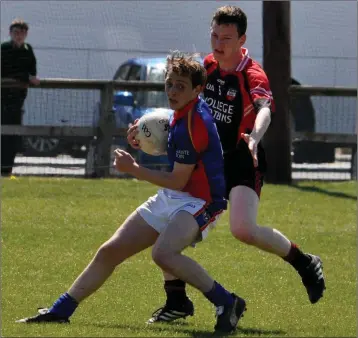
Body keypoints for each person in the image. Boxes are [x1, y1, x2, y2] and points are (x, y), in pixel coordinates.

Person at [16, 51, 247, 333]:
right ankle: (61, 309)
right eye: (169, 83)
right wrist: (145, 141)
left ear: (198, 89)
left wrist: (133, 167)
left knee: (163, 253)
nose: (172, 91)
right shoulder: (184, 111)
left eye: (180, 86)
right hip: (177, 194)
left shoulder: (193, 123)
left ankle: (227, 301)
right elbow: (174, 149)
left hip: (202, 201)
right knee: (110, 250)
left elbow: (176, 179)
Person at [127, 6, 326, 324]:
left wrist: (254, 136)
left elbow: (265, 110)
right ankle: (176, 299)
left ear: (242, 40)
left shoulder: (251, 74)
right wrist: (145, 130)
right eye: (214, 35)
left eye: (227, 38)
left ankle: (303, 262)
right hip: (207, 163)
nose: (218, 44)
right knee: (171, 216)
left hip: (243, 158)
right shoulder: (206, 66)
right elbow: (182, 109)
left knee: (243, 229)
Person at [1, 18, 40, 176]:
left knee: (14, 135)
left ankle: (7, 169)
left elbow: (33, 71)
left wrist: (28, 77)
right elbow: (6, 70)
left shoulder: (27, 49)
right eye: (16, 33)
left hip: (18, 99)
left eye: (22, 33)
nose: (19, 36)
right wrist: (25, 77)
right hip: (3, 97)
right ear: (10, 33)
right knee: (3, 133)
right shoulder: (4, 49)